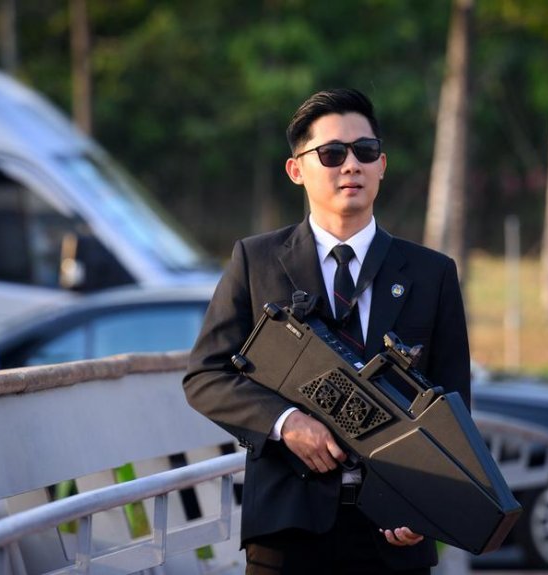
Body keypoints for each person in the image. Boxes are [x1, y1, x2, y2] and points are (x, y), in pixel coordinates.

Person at [183, 88, 470, 574]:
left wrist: (431, 503)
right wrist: (286, 424)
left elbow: (454, 406)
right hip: (287, 529)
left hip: (394, 535)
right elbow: (206, 376)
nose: (351, 165)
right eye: (332, 153)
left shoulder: (432, 273)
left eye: (366, 151)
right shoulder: (255, 261)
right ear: (297, 169)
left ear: (383, 165)